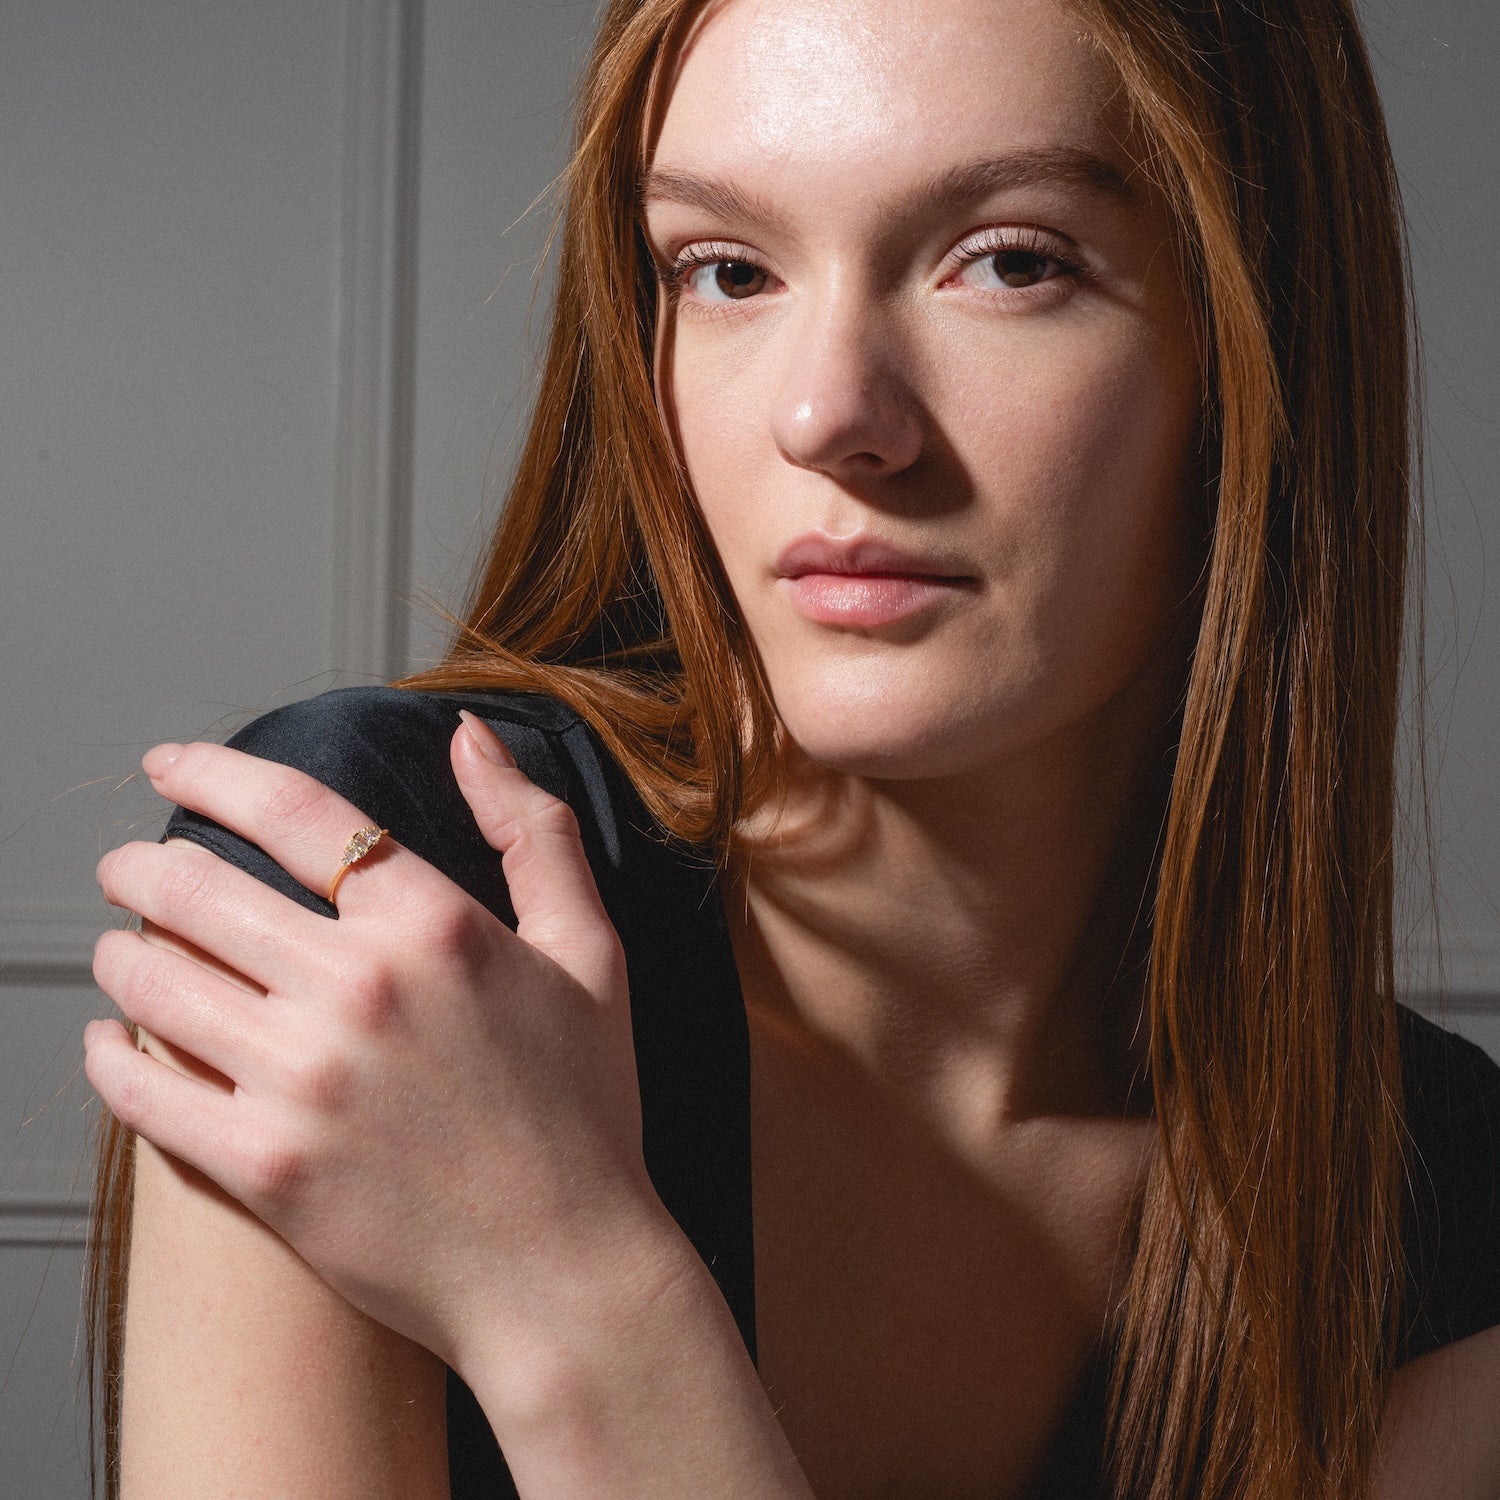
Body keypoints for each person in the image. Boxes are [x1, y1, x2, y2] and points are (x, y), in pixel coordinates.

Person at [83, 0, 1500, 1496]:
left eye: (1010, 261)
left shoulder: (1424, 1196)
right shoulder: (395, 900)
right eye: (729, 269)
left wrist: (582, 1300)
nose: (830, 414)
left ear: (1258, 336)